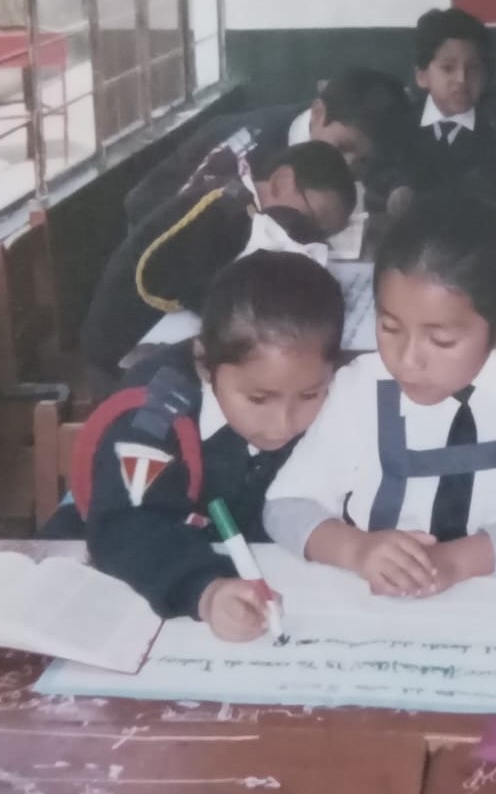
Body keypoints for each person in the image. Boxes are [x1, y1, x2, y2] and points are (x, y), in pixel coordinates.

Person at [264, 192, 496, 597]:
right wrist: (358, 551)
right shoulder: (360, 387)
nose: (407, 361)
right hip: (380, 600)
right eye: (390, 328)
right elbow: (285, 506)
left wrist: (452, 563)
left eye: (441, 340)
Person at [83, 252, 345, 641]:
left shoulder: (344, 398)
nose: (283, 425)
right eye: (258, 399)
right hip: (151, 604)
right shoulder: (153, 421)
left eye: (310, 395)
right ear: (206, 364)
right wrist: (205, 590)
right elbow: (125, 526)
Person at [80, 140, 356, 392]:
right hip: (123, 354)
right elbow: (157, 277)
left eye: (324, 233)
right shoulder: (221, 210)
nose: (310, 232)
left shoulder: (247, 214)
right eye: (314, 218)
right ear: (281, 182)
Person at [120, 67, 412, 230]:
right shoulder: (241, 150)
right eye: (343, 148)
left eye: (360, 161)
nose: (347, 166)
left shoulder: (346, 131)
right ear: (318, 113)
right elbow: (145, 206)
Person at [398, 7, 496, 213]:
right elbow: (382, 182)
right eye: (448, 68)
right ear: (422, 76)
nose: (461, 79)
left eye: (473, 68)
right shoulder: (401, 121)